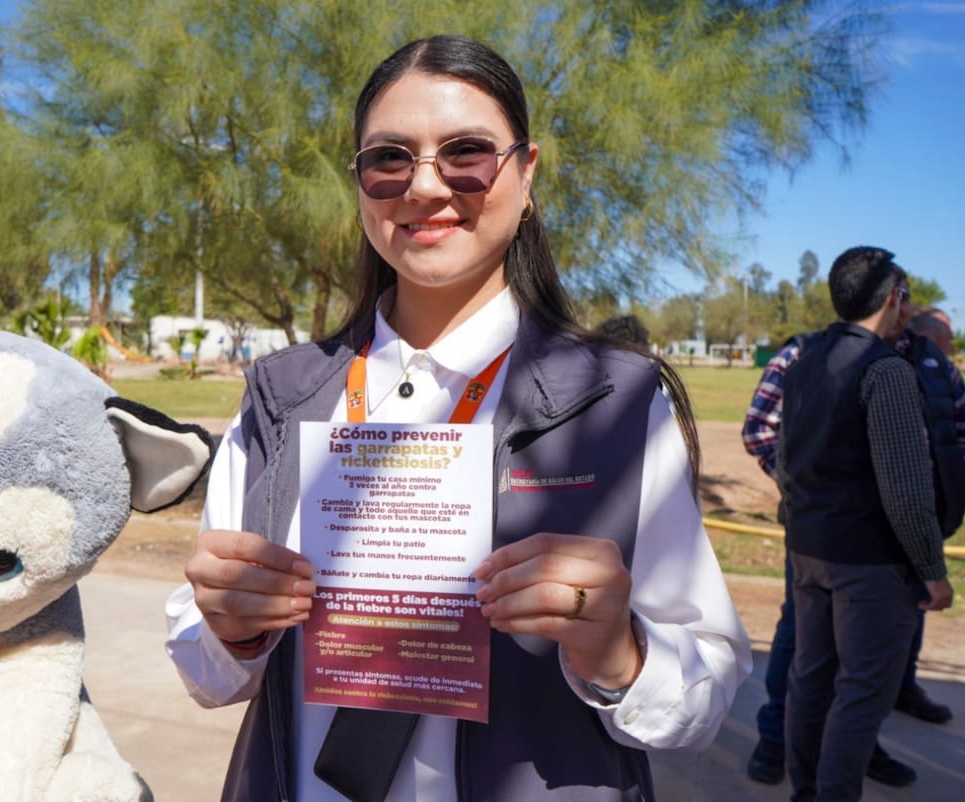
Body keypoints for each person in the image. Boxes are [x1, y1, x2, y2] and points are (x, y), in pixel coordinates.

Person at [166, 34, 751, 802]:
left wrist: (620, 652)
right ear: (361, 184)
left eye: (466, 153)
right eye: (390, 159)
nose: (426, 187)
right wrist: (229, 629)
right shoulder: (283, 398)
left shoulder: (618, 402)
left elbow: (704, 700)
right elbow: (208, 674)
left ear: (526, 172)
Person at [742, 267, 965, 787]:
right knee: (860, 694)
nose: (907, 310)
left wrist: (814, 498)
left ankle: (807, 785)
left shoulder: (809, 360)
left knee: (813, 679)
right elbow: (905, 488)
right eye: (905, 298)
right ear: (892, 299)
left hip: (815, 545)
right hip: (871, 556)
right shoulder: (884, 369)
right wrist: (932, 568)